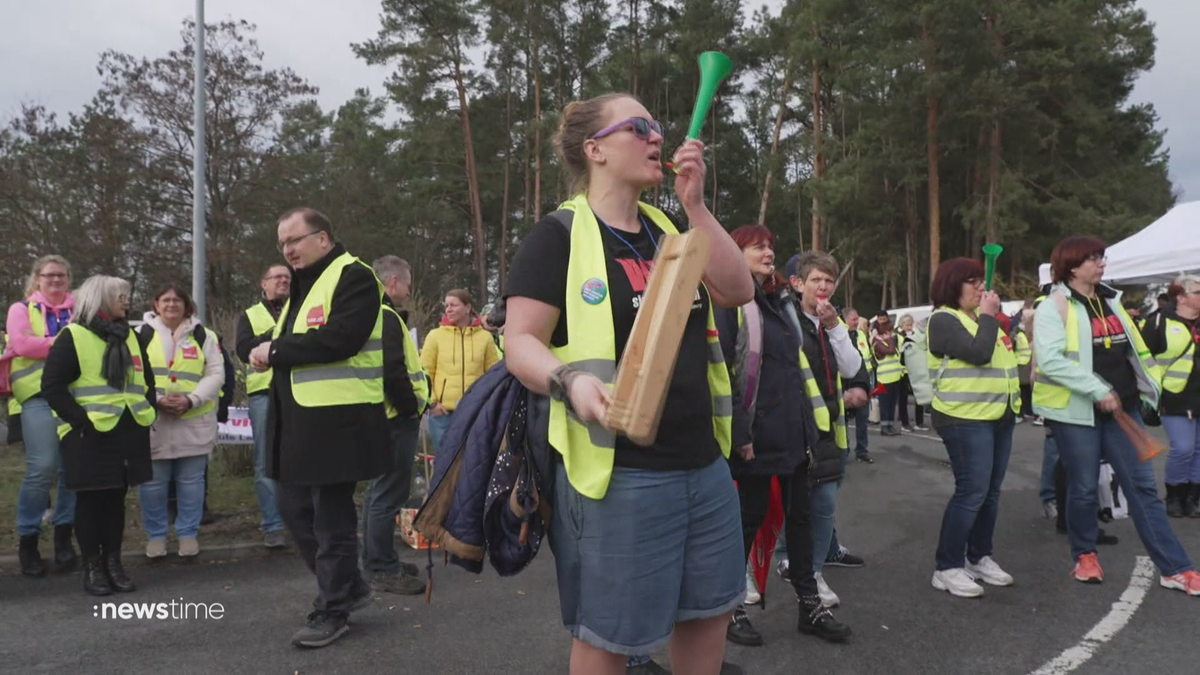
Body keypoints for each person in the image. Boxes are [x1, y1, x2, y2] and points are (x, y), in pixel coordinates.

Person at [503, 92, 754, 675]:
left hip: (704, 464)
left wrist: (696, 206)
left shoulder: (670, 227)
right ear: (595, 150)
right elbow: (519, 342)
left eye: (658, 127)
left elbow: (738, 290)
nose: (656, 138)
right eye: (639, 127)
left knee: (708, 614)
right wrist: (568, 381)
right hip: (620, 477)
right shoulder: (557, 236)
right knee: (609, 635)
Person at [248, 207, 393, 647]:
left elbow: (341, 338)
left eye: (295, 239)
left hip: (338, 422)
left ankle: (332, 610)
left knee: (331, 521)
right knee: (294, 511)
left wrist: (274, 351)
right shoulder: (302, 286)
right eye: (283, 244)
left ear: (324, 238)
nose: (288, 249)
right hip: (297, 421)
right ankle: (349, 587)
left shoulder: (354, 275)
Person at [1033, 236, 1199, 594]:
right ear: (1072, 266)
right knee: (1082, 487)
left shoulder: (1112, 301)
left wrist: (1147, 391)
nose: (1101, 263)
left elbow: (1135, 351)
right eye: (1093, 259)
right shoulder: (1054, 306)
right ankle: (1085, 556)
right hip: (1076, 413)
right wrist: (1097, 390)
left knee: (1142, 488)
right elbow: (1051, 360)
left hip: (1123, 409)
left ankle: (1175, 568)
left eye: (1102, 257)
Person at [715, 226, 851, 648]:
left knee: (802, 520)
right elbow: (723, 372)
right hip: (755, 435)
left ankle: (810, 606)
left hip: (793, 432)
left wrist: (811, 427)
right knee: (747, 521)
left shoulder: (780, 302)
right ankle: (730, 609)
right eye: (758, 246)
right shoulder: (729, 300)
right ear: (735, 253)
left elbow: (799, 370)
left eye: (771, 245)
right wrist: (739, 431)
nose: (769, 251)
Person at [41, 275, 155, 595]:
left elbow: (146, 380)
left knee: (115, 501)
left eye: (127, 295)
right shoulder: (72, 336)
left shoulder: (131, 336)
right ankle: (93, 566)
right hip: (88, 435)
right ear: (101, 299)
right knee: (90, 502)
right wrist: (81, 422)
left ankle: (114, 562)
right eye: (120, 296)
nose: (126, 300)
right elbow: (52, 386)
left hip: (127, 430)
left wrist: (151, 407)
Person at [926, 257, 1021, 598]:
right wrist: (988, 316)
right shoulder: (943, 319)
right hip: (964, 416)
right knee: (972, 491)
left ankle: (979, 556)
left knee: (990, 492)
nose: (981, 287)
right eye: (973, 281)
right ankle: (947, 566)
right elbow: (978, 354)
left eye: (981, 280)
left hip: (998, 415)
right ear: (953, 285)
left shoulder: (977, 319)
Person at [788, 252, 870, 609]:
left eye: (829, 281)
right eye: (816, 280)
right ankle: (777, 569)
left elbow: (853, 366)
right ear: (798, 283)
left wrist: (836, 327)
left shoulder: (831, 323)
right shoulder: (786, 319)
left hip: (829, 431)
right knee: (786, 509)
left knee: (824, 506)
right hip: (793, 430)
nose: (823, 287)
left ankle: (815, 572)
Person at [136, 284, 224, 558]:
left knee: (191, 483)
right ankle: (156, 537)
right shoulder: (140, 335)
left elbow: (216, 374)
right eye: (166, 299)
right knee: (152, 484)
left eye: (177, 300)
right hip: (154, 419)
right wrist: (157, 398)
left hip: (193, 420)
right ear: (156, 304)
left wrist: (191, 399)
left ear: (187, 306)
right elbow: (132, 373)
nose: (172, 304)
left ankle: (188, 535)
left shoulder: (203, 335)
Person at [6, 255, 78, 577]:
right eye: (49, 275)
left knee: (72, 468)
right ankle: (28, 539)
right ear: (37, 279)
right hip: (36, 396)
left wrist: (45, 344)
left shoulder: (81, 310)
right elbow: (22, 344)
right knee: (42, 467)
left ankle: (65, 536)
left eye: (61, 275)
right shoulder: (21, 309)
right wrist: (63, 344)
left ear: (68, 279)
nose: (55, 280)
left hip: (76, 396)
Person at [361, 255, 428, 595]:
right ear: (392, 283)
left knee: (378, 493)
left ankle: (375, 560)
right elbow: (393, 369)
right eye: (407, 282)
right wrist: (408, 409)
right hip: (394, 418)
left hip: (383, 417)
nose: (409, 289)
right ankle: (382, 568)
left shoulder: (375, 314)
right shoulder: (386, 317)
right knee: (388, 494)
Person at [235, 263, 291, 549]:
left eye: (287, 277)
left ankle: (303, 521)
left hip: (299, 393)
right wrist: (277, 335)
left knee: (302, 458)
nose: (283, 280)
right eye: (277, 277)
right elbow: (244, 349)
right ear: (263, 284)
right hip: (264, 396)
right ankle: (273, 524)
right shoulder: (250, 315)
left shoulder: (301, 308)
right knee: (265, 462)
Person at [1142, 274, 1200, 518]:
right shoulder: (1159, 322)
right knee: (1183, 447)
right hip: (1175, 396)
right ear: (1181, 297)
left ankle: (1193, 496)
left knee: (1199, 449)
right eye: (1197, 292)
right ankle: (1174, 494)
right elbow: (1144, 360)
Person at [420, 289, 500, 455]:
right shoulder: (435, 336)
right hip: (443, 415)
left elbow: (493, 376)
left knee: (473, 465)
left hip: (476, 413)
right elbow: (424, 373)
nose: (448, 309)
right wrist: (432, 404)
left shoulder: (485, 338)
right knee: (445, 466)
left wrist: (488, 404)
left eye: (453, 305)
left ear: (468, 307)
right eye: (446, 305)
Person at [844, 308, 874, 463]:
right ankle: (844, 450)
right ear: (845, 319)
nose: (856, 322)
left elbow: (866, 357)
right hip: (847, 384)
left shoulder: (861, 335)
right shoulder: (840, 335)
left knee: (863, 419)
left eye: (857, 319)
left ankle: (862, 451)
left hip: (864, 381)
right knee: (843, 422)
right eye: (853, 319)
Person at [872, 312, 903, 436]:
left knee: (892, 403)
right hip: (884, 379)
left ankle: (890, 425)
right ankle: (884, 427)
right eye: (888, 332)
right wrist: (890, 340)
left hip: (895, 377)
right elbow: (890, 351)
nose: (890, 334)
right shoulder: (877, 343)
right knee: (885, 403)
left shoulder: (890, 340)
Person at [896, 314, 927, 432]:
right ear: (901, 325)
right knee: (903, 398)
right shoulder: (898, 337)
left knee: (919, 395)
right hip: (902, 371)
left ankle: (919, 422)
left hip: (915, 369)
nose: (909, 327)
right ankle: (905, 423)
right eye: (906, 325)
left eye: (910, 324)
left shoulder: (914, 335)